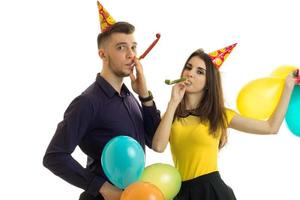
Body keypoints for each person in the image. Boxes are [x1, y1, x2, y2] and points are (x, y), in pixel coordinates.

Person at [43, 3, 160, 200]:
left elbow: (153, 141)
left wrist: (145, 95)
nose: (131, 55)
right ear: (102, 54)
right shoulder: (87, 102)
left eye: (133, 47)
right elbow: (54, 156)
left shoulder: (130, 97)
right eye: (121, 47)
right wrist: (102, 187)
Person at [151, 47, 298, 200]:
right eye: (188, 68)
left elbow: (270, 127)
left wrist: (288, 87)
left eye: (200, 71)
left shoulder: (219, 115)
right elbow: (158, 147)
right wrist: (173, 102)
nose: (190, 73)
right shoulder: (171, 115)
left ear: (209, 82)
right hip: (182, 193)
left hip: (212, 191)